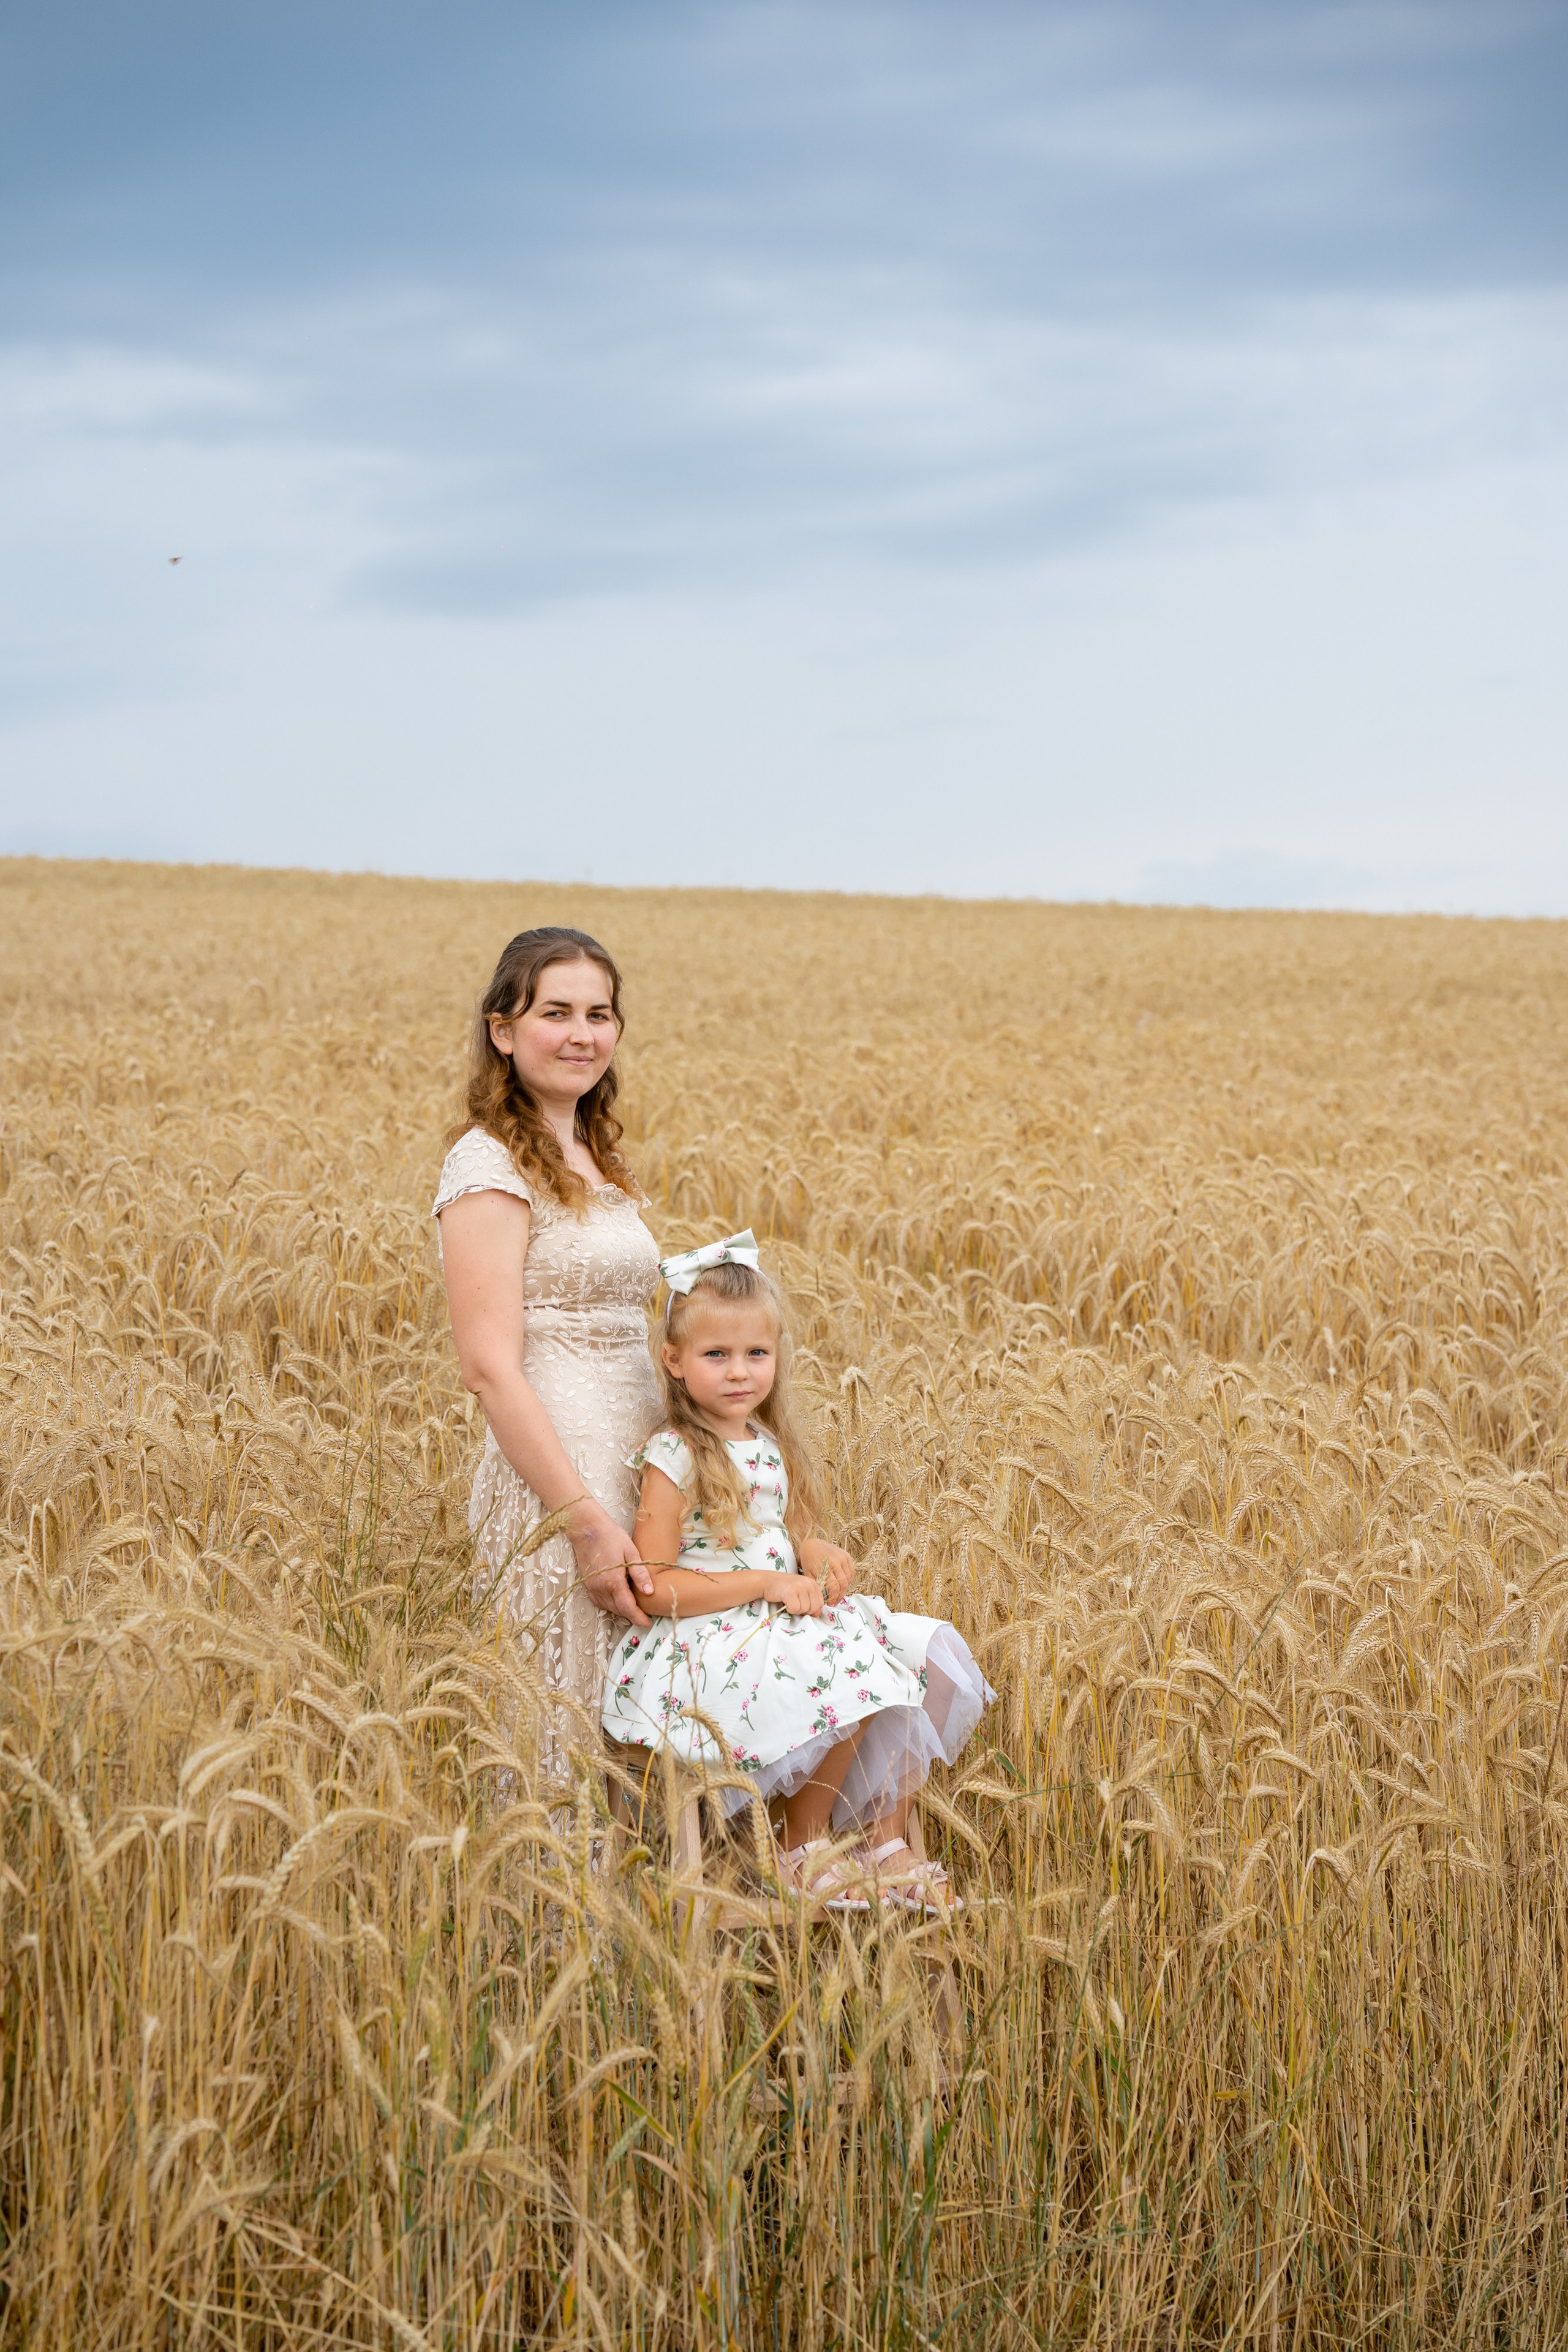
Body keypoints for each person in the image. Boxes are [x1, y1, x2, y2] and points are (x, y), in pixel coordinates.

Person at [602, 1234, 993, 1907]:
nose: (739, 1373)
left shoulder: (767, 1444)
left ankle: (882, 1838)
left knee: (914, 1651)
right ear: (673, 1361)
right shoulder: (675, 1454)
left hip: (780, 1616)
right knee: (845, 1663)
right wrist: (766, 1584)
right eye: (715, 1355)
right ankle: (799, 1844)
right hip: (707, 1635)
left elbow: (787, 1532)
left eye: (756, 1354)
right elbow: (657, 1584)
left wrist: (815, 1555)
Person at [434, 925, 660, 1736]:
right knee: (571, 1722)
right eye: (556, 1012)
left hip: (646, 1458)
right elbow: (489, 1367)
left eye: (599, 1014)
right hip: (563, 1473)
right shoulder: (487, 1164)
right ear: (504, 1030)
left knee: (655, 1721)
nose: (582, 1035)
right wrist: (585, 1518)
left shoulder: (597, 1153)